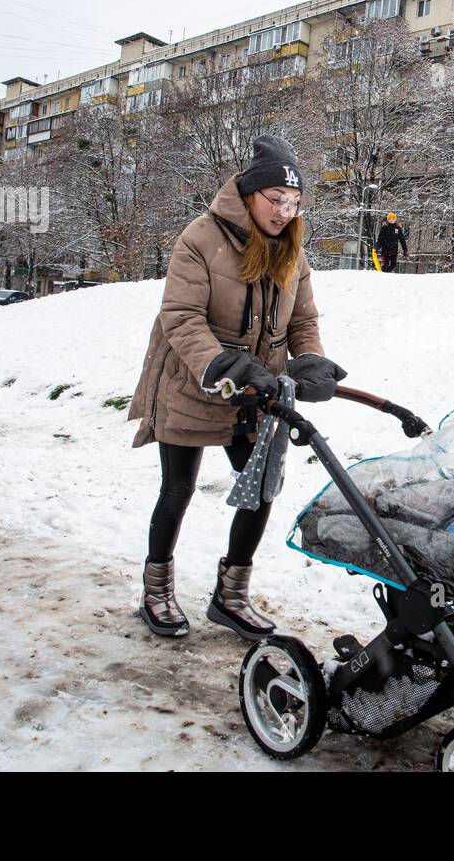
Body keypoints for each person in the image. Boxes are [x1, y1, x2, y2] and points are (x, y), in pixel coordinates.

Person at [127, 135, 347, 640]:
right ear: (250, 193)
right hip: (191, 381)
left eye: (294, 204)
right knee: (177, 489)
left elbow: (303, 319)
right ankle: (156, 590)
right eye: (277, 200)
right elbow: (180, 317)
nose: (285, 212)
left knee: (260, 489)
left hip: (256, 391)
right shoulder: (201, 237)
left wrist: (309, 359)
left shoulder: (293, 248)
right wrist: (223, 363)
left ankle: (230, 596)